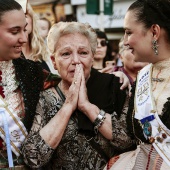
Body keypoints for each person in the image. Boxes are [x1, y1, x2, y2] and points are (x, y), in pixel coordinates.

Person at [21, 21, 135, 170]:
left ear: (92, 57)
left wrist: (87, 107)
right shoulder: (45, 98)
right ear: (54, 61)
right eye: (66, 54)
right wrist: (68, 106)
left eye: (83, 53)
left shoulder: (115, 86)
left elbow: (128, 141)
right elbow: (32, 158)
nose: (76, 60)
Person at [105, 0, 170, 169]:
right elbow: (128, 137)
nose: (125, 41)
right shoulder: (142, 77)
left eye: (128, 32)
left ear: (154, 32)